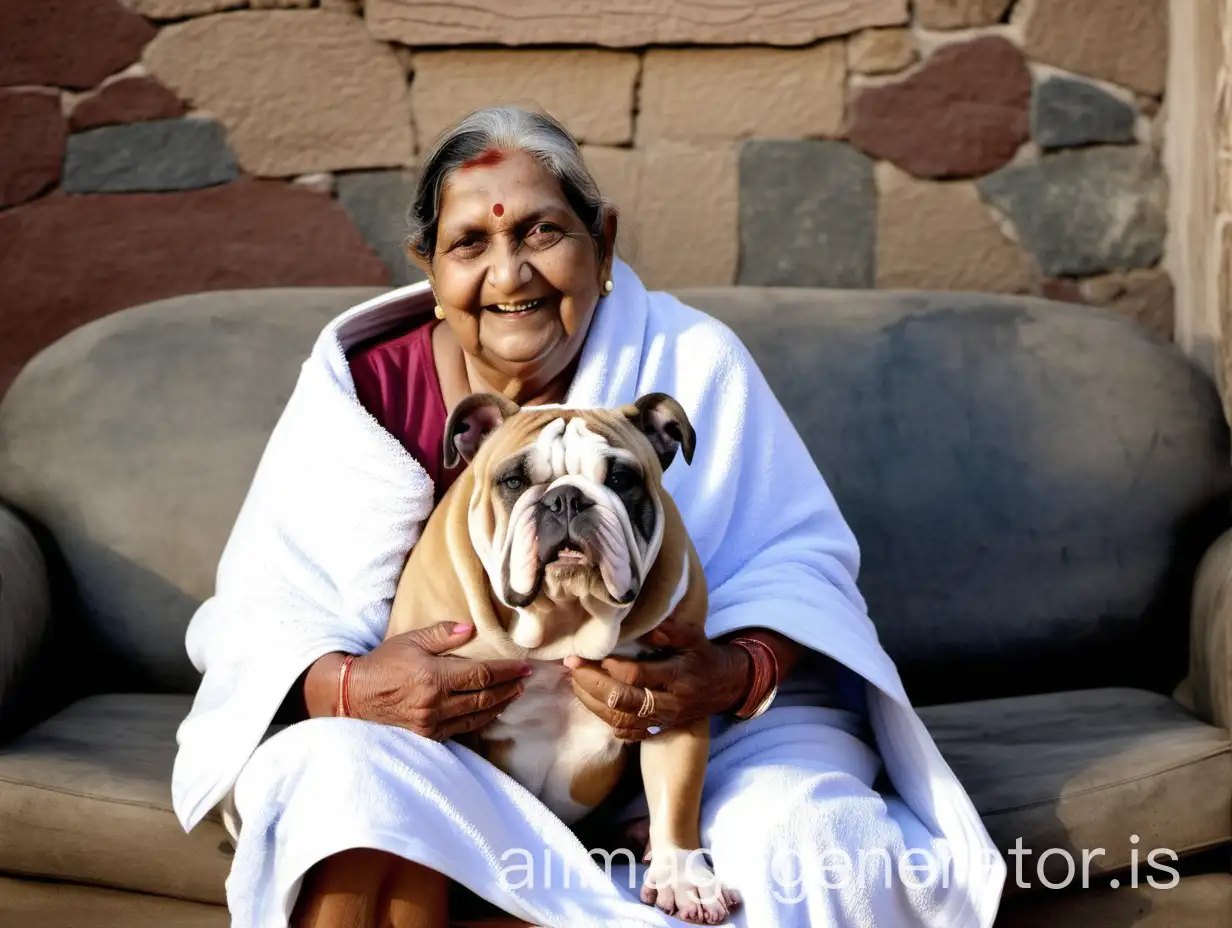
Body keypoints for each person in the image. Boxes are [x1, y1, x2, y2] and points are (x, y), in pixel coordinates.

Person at [170, 105, 1005, 928]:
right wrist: (351, 688)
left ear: (602, 244)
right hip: (447, 743)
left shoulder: (693, 360)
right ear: (428, 267)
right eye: (471, 243)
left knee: (813, 837)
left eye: (540, 233)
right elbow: (266, 605)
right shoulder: (365, 386)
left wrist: (731, 673)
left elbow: (800, 563)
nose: (509, 275)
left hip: (690, 733)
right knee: (340, 784)